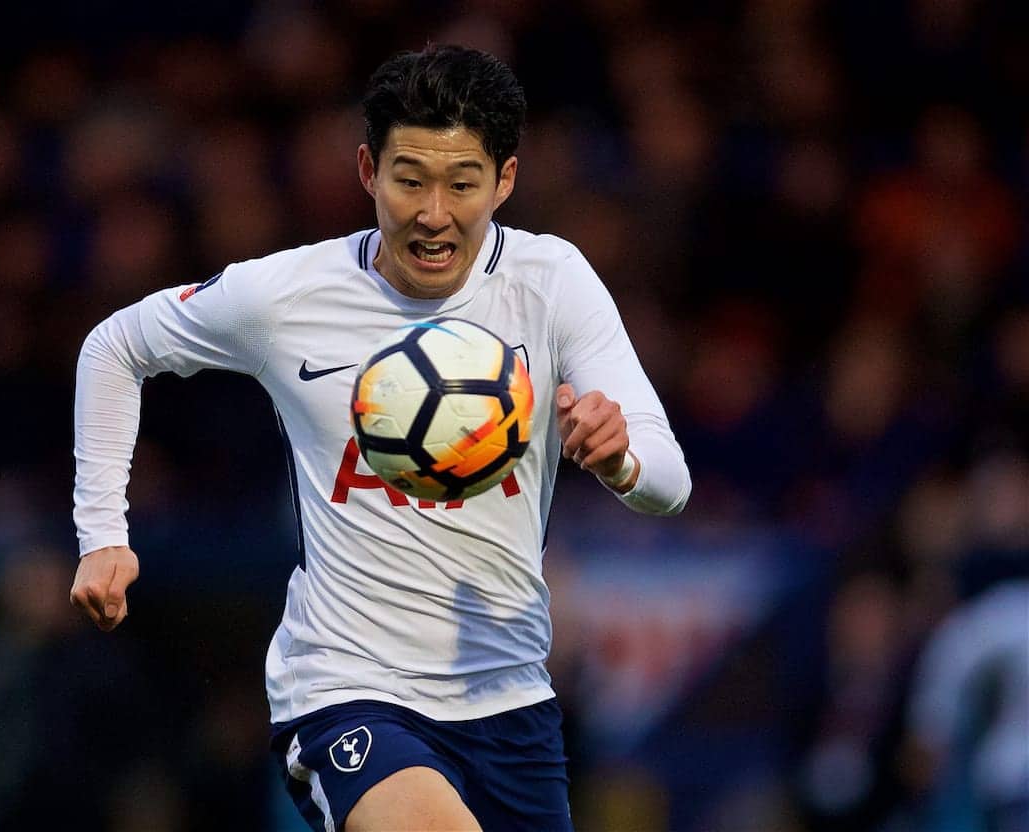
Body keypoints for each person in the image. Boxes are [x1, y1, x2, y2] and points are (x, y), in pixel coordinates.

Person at [70, 45, 691, 832]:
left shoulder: (552, 283)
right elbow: (115, 346)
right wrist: (102, 532)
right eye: (409, 180)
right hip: (347, 688)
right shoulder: (288, 295)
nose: (433, 212)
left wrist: (622, 459)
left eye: (463, 184)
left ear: (504, 180)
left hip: (511, 698)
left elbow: (671, 480)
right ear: (368, 171)